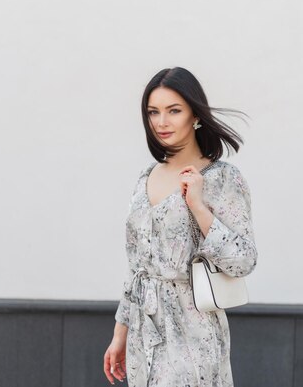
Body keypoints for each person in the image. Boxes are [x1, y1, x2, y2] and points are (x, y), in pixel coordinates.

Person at [103, 67, 258, 387]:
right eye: (153, 112)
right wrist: (121, 333)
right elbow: (136, 269)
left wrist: (198, 207)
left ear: (195, 115)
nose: (161, 122)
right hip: (143, 336)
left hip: (192, 332)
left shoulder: (222, 178)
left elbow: (244, 260)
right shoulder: (146, 177)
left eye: (174, 111)